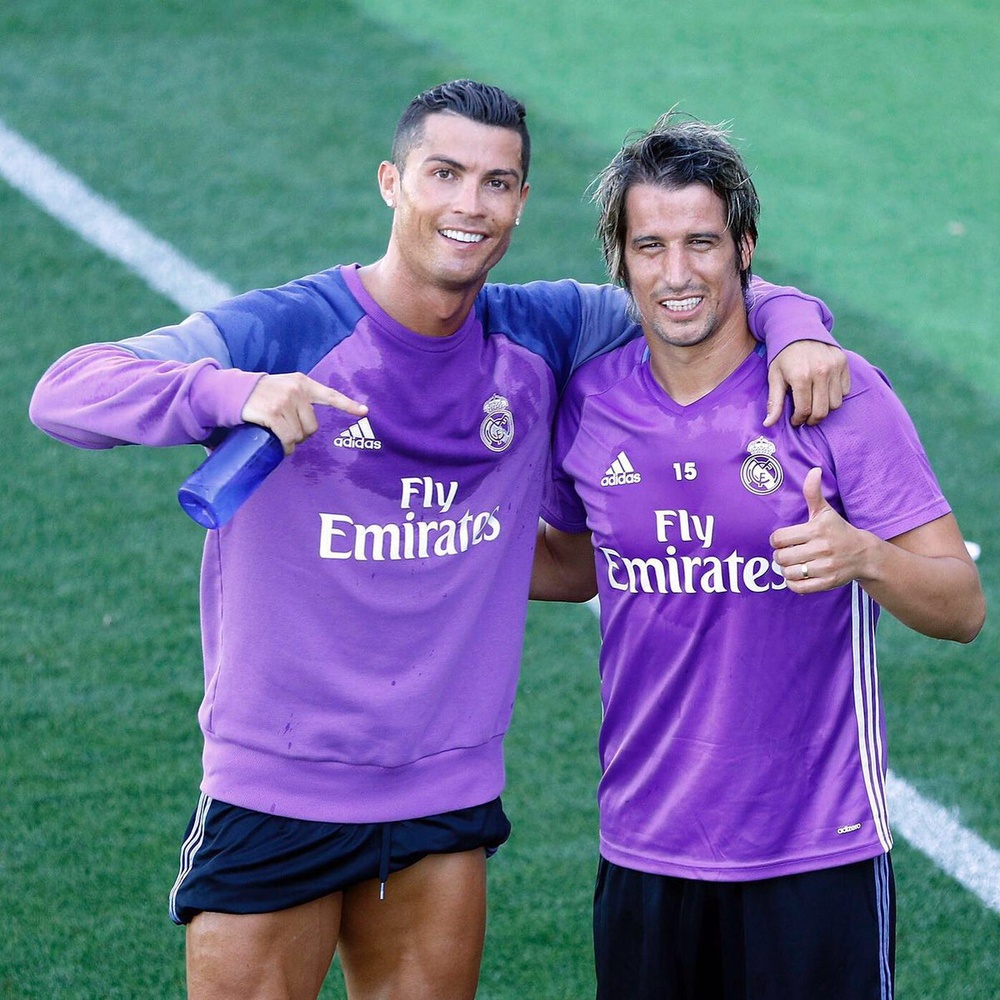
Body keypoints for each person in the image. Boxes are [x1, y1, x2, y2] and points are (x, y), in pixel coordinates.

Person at [29, 81, 847, 1000]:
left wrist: (796, 324)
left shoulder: (543, 329)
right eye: (444, 173)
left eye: (497, 183)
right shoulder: (289, 329)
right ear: (392, 181)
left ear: (522, 204)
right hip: (276, 786)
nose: (470, 205)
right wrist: (230, 393)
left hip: (441, 802)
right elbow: (65, 391)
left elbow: (688, 285)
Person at [531, 112, 986, 1000]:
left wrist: (863, 558)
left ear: (744, 247)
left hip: (816, 852)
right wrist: (434, 553)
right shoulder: (588, 403)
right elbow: (577, 564)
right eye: (650, 244)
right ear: (618, 258)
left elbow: (962, 606)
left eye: (701, 242)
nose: (676, 273)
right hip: (645, 849)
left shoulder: (834, 395)